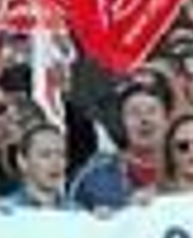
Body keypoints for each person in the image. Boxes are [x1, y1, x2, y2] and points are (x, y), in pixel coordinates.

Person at [70, 79, 170, 209]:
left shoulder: (189, 166)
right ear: (121, 123)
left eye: (152, 111)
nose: (144, 119)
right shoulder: (93, 176)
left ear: (167, 120)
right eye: (134, 113)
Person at [2, 122, 73, 210]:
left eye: (61, 155)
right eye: (45, 155)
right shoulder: (4, 212)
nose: (56, 163)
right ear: (23, 162)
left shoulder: (77, 214)